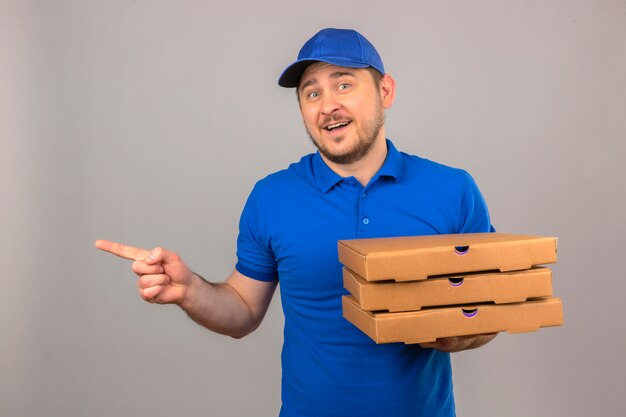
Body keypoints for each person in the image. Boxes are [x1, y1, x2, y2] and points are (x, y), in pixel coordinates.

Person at [96, 28, 497, 417]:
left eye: (344, 85)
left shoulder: (452, 190)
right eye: (312, 92)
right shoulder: (272, 197)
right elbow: (241, 312)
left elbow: (495, 302)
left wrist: (465, 333)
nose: (327, 106)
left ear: (385, 91)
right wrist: (189, 291)